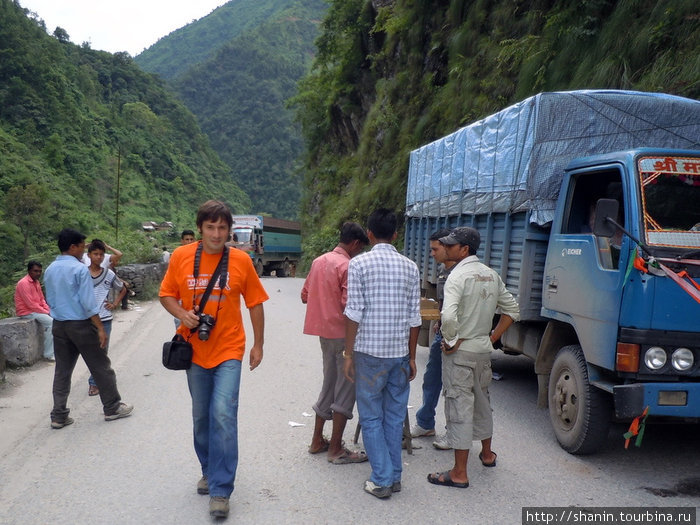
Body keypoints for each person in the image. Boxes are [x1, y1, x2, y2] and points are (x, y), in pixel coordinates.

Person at [160, 200, 269, 519]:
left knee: (222, 413)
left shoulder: (240, 260)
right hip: (194, 350)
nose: (217, 233)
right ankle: (208, 469)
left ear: (229, 230)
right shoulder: (181, 257)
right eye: (211, 227)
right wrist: (182, 313)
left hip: (229, 350)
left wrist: (258, 344)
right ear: (200, 229)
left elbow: (256, 303)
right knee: (201, 417)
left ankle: (221, 489)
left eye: (223, 227)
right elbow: (165, 294)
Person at [426, 227, 519, 489]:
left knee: (459, 408)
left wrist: (451, 341)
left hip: (462, 353)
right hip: (482, 351)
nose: (447, 248)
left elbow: (449, 316)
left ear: (464, 249)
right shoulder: (491, 274)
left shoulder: (457, 276)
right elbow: (512, 310)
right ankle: (487, 455)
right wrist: (491, 338)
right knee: (482, 401)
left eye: (451, 245)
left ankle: (459, 473)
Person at [343, 208, 422, 499]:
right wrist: (412, 357)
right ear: (396, 234)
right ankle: (395, 476)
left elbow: (353, 312)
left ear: (370, 234)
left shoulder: (359, 264)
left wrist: (347, 353)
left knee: (371, 417)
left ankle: (381, 479)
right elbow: (415, 318)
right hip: (399, 354)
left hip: (369, 354)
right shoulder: (410, 267)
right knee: (393, 415)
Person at [43, 228, 133, 430]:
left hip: (59, 325)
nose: (83, 251)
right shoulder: (79, 270)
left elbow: (49, 299)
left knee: (62, 371)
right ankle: (112, 407)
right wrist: (100, 328)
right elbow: (87, 302)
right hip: (81, 325)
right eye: (82, 247)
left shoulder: (49, 269)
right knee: (101, 366)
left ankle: (59, 415)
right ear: (73, 247)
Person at [302, 222, 369, 464]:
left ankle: (317, 440)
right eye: (360, 249)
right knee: (344, 388)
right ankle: (336, 450)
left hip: (323, 334)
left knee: (329, 383)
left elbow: (304, 295)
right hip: (342, 334)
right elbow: (349, 306)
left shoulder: (318, 261)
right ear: (355, 244)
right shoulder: (347, 265)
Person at [410, 229, 456, 446]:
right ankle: (425, 423)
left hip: (456, 337)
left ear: (449, 247)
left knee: (453, 386)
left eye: (435, 249)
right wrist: (437, 320)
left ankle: (454, 431)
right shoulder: (442, 271)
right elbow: (444, 303)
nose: (432, 253)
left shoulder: (461, 273)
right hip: (441, 333)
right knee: (431, 378)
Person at [86, 240, 127, 397]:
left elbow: (122, 289)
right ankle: (98, 380)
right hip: (87, 319)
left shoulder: (109, 274)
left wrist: (115, 303)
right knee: (91, 352)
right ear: (89, 255)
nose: (98, 257)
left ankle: (94, 382)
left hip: (104, 318)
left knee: (102, 352)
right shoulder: (82, 273)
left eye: (101, 255)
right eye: (95, 254)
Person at [14, 261, 54, 361]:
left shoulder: (36, 282)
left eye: (40, 271)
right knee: (51, 323)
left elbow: (41, 300)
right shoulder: (23, 283)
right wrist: (46, 312)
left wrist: (48, 310)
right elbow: (31, 304)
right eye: (35, 271)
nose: (38, 273)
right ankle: (49, 354)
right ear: (29, 271)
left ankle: (54, 350)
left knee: (56, 319)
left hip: (36, 311)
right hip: (27, 312)